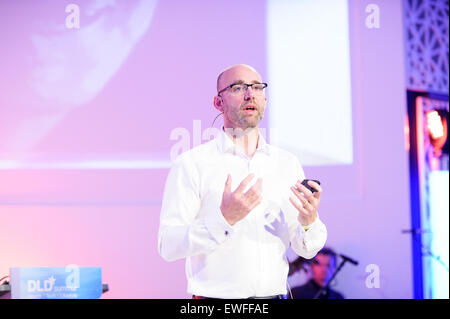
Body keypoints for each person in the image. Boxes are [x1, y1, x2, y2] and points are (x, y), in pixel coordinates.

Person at [157, 64, 327, 299]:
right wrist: (223, 220)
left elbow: (306, 249)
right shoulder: (192, 164)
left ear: (265, 100)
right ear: (218, 103)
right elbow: (168, 245)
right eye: (238, 87)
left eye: (257, 87)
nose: (250, 94)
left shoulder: (287, 164)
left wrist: (309, 222)